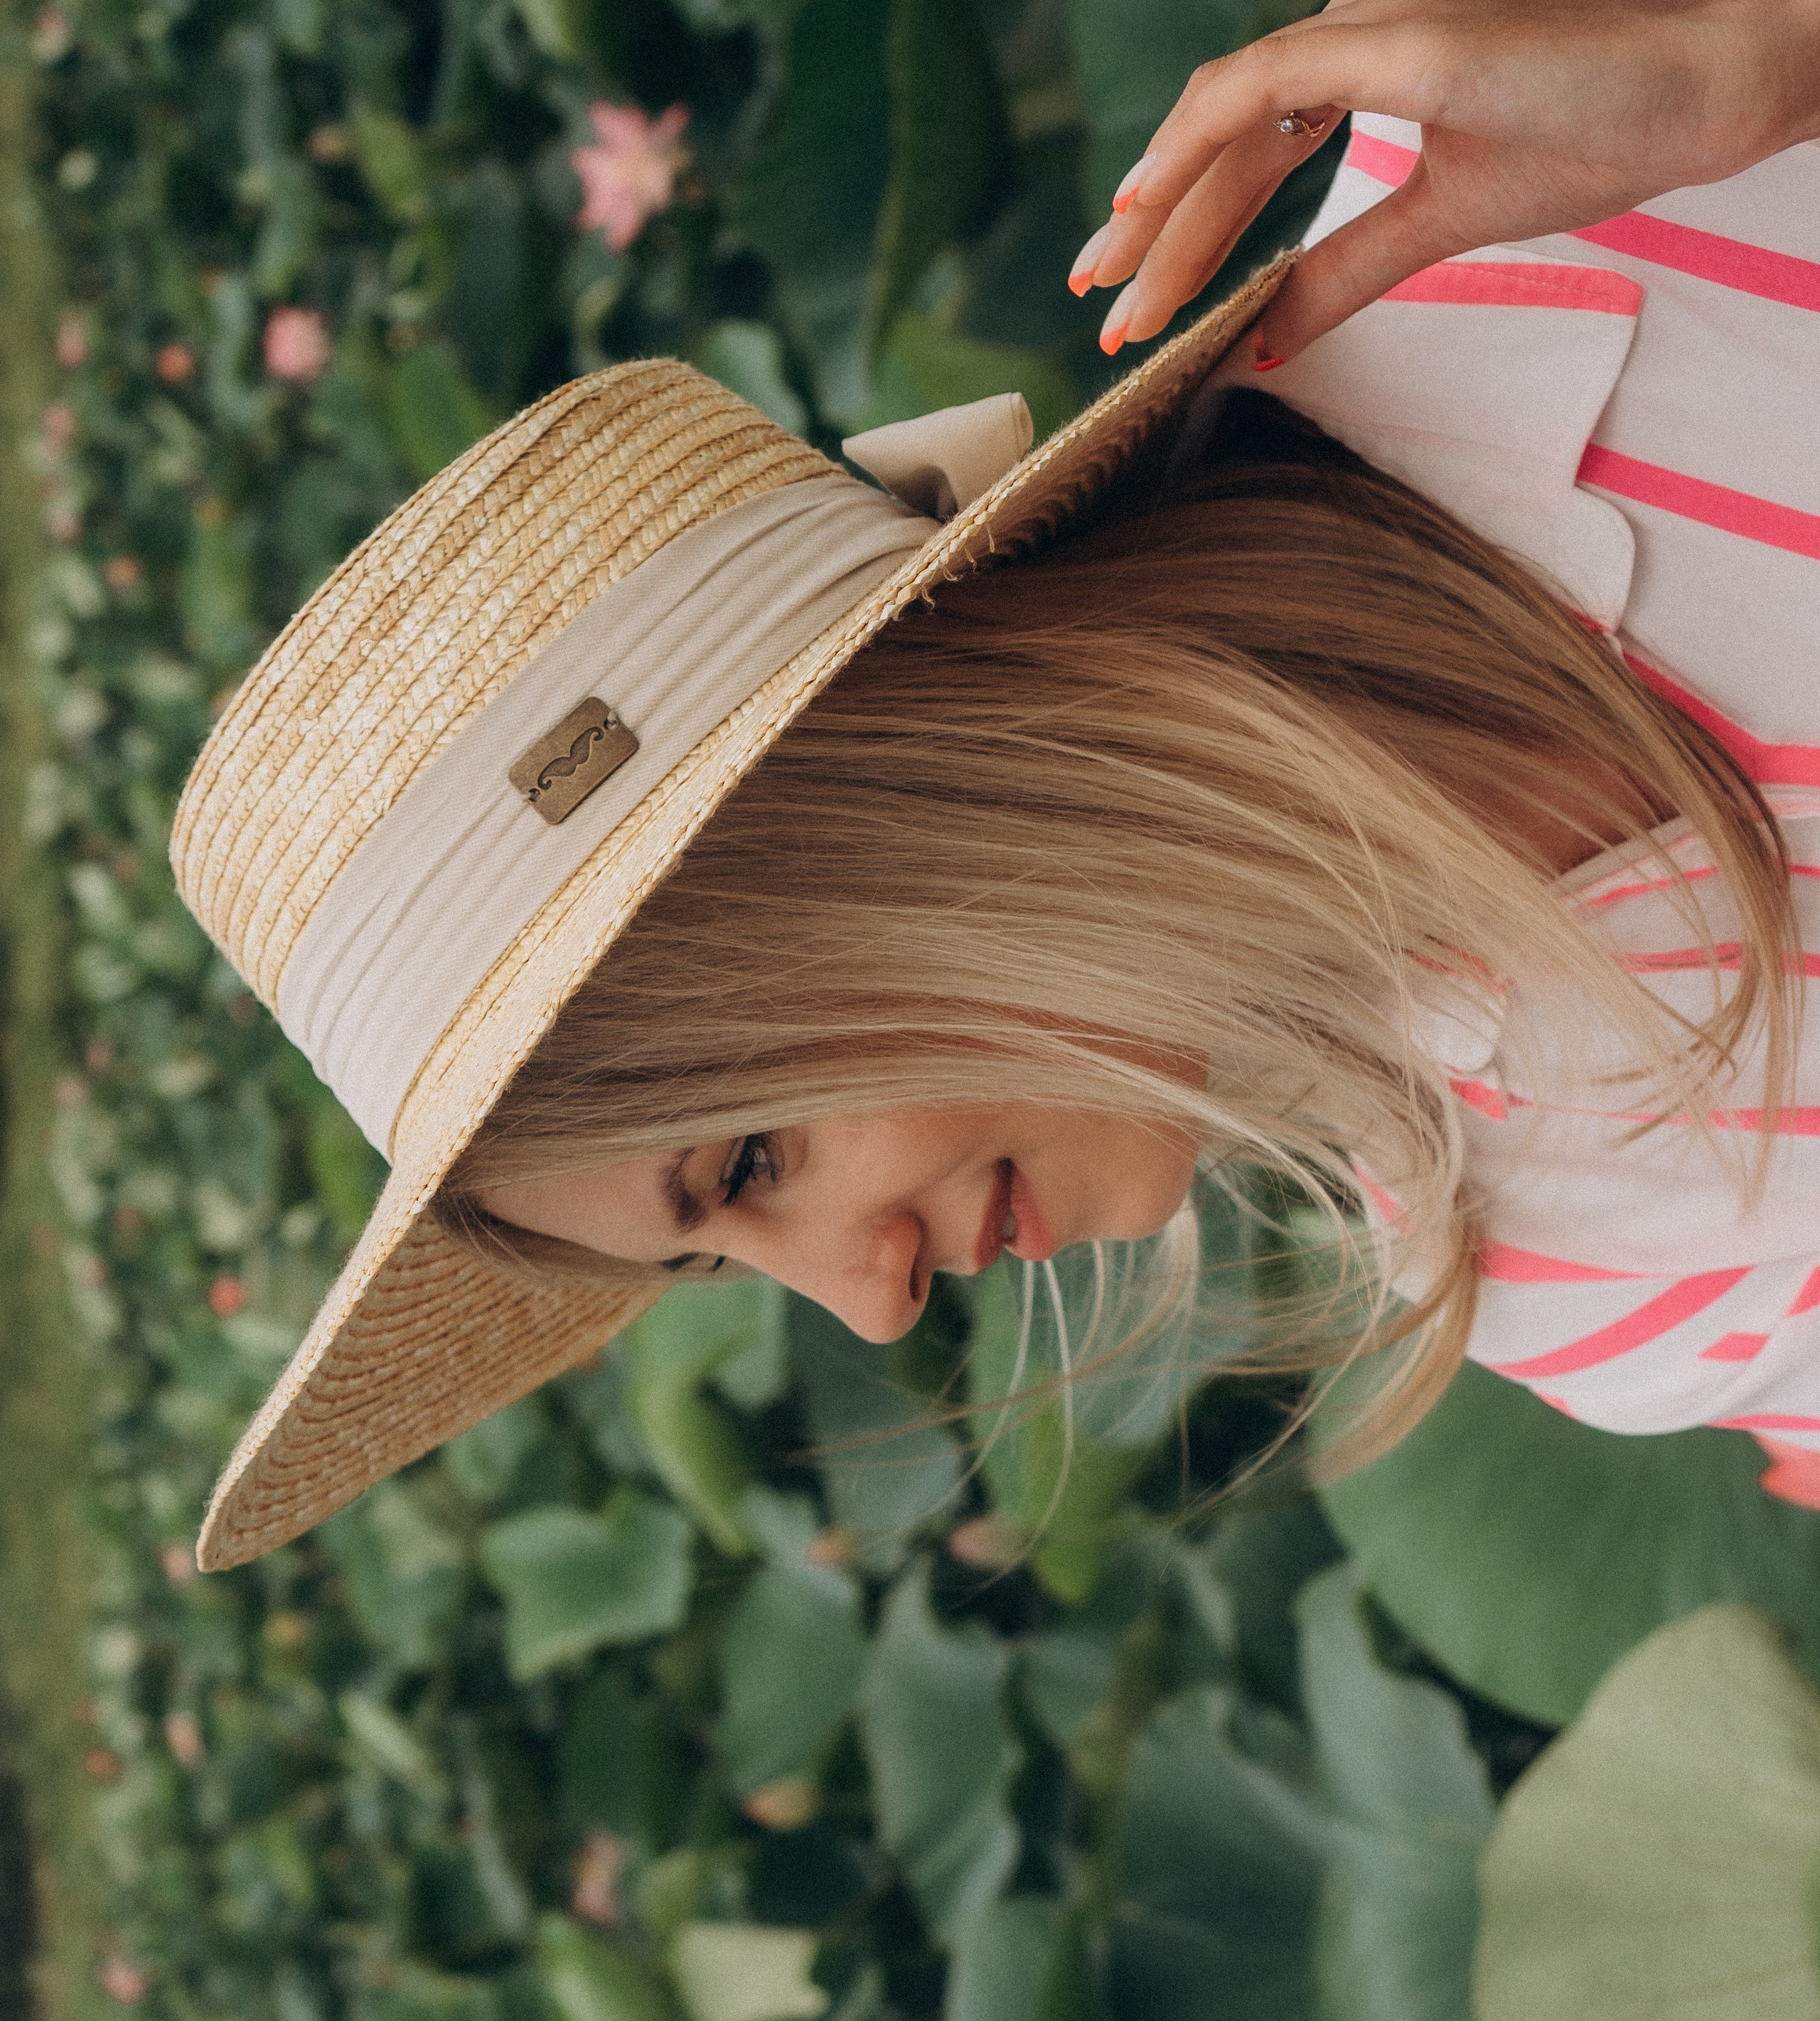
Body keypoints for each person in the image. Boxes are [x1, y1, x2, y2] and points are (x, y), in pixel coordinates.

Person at [171, 0, 1820, 1569]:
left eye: (747, 1167)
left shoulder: (1556, 150)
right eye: (715, 1253)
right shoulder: (1583, 1297)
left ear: (855, 828)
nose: (875, 1307)